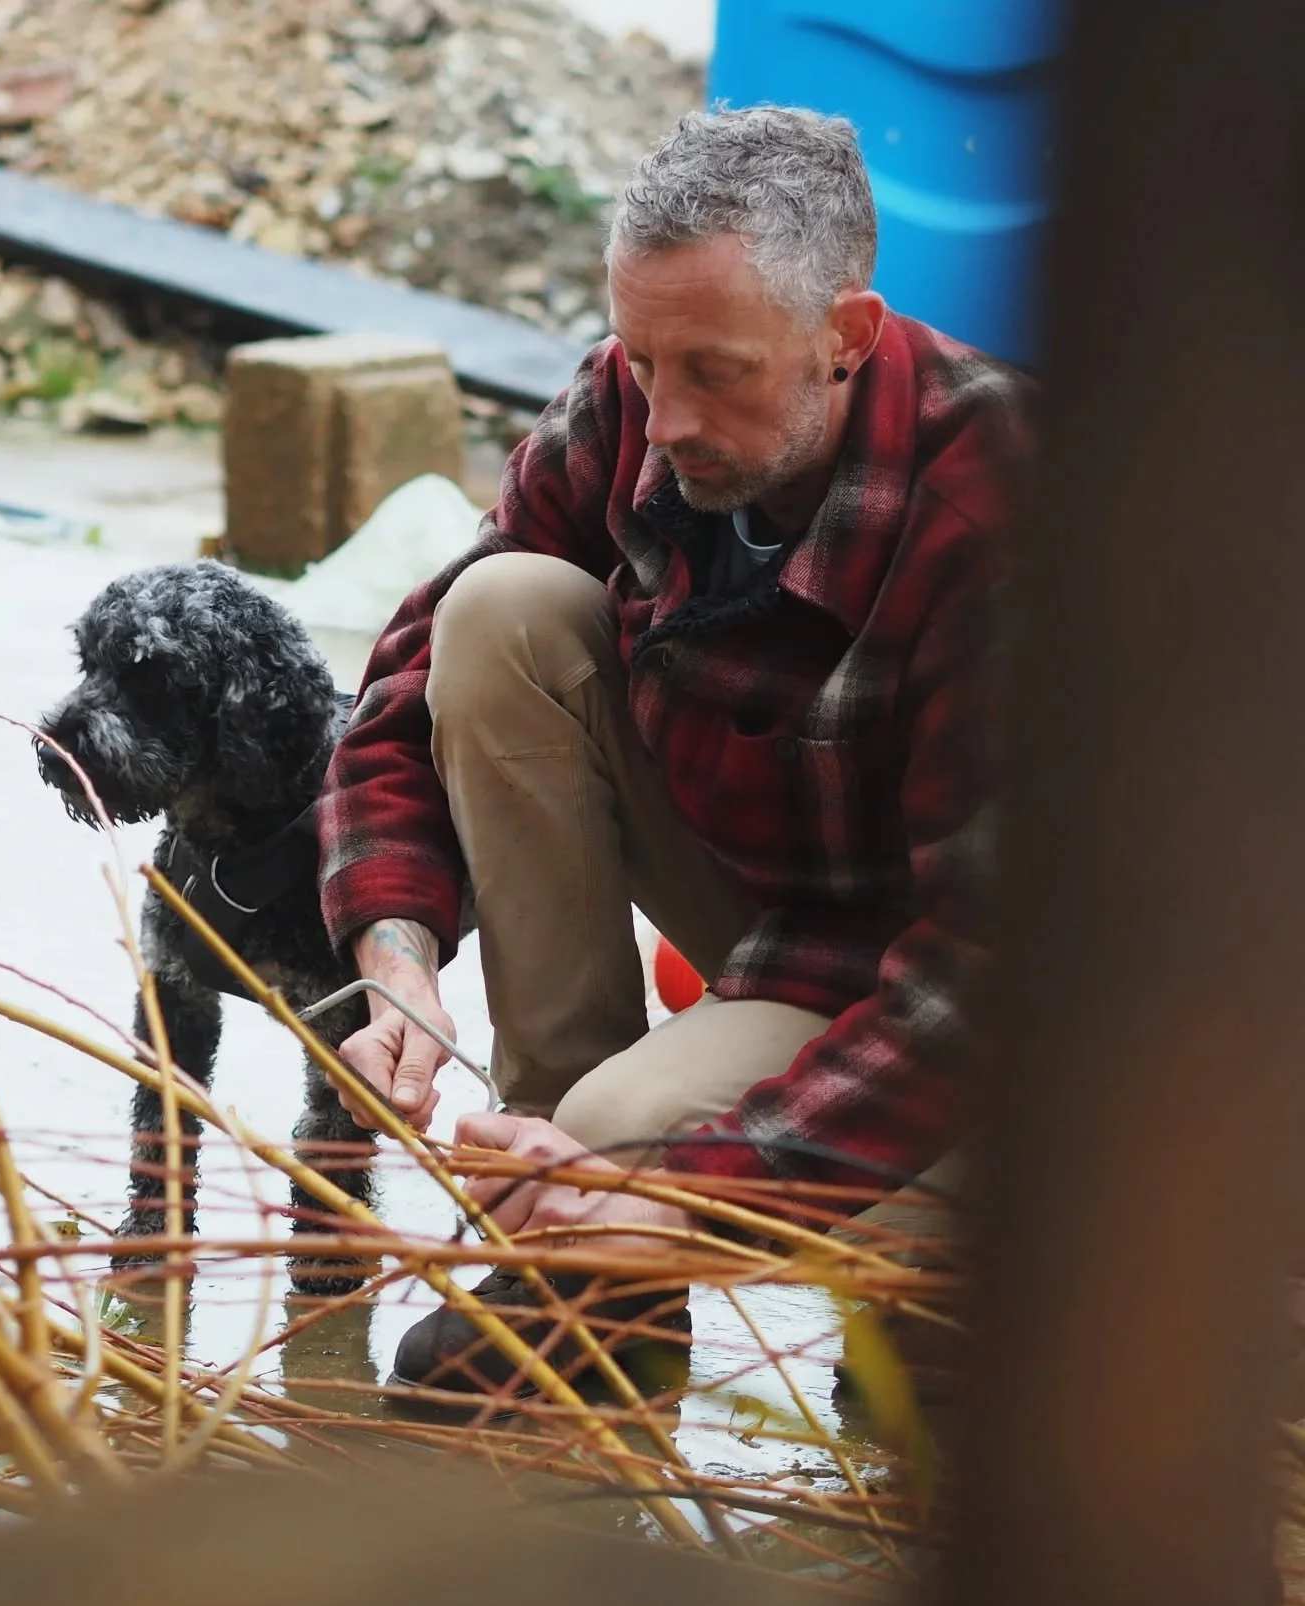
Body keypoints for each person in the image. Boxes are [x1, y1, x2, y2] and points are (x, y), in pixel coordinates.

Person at [315, 106, 1030, 1391]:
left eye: (715, 371)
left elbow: (984, 974)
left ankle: (691, 1230)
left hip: (1019, 1011)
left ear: (846, 340)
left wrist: (695, 1192)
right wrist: (399, 961)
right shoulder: (633, 404)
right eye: (645, 360)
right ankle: (578, 1264)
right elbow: (406, 689)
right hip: (796, 925)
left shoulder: (1001, 513)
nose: (670, 415)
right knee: (504, 612)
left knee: (633, 1144)